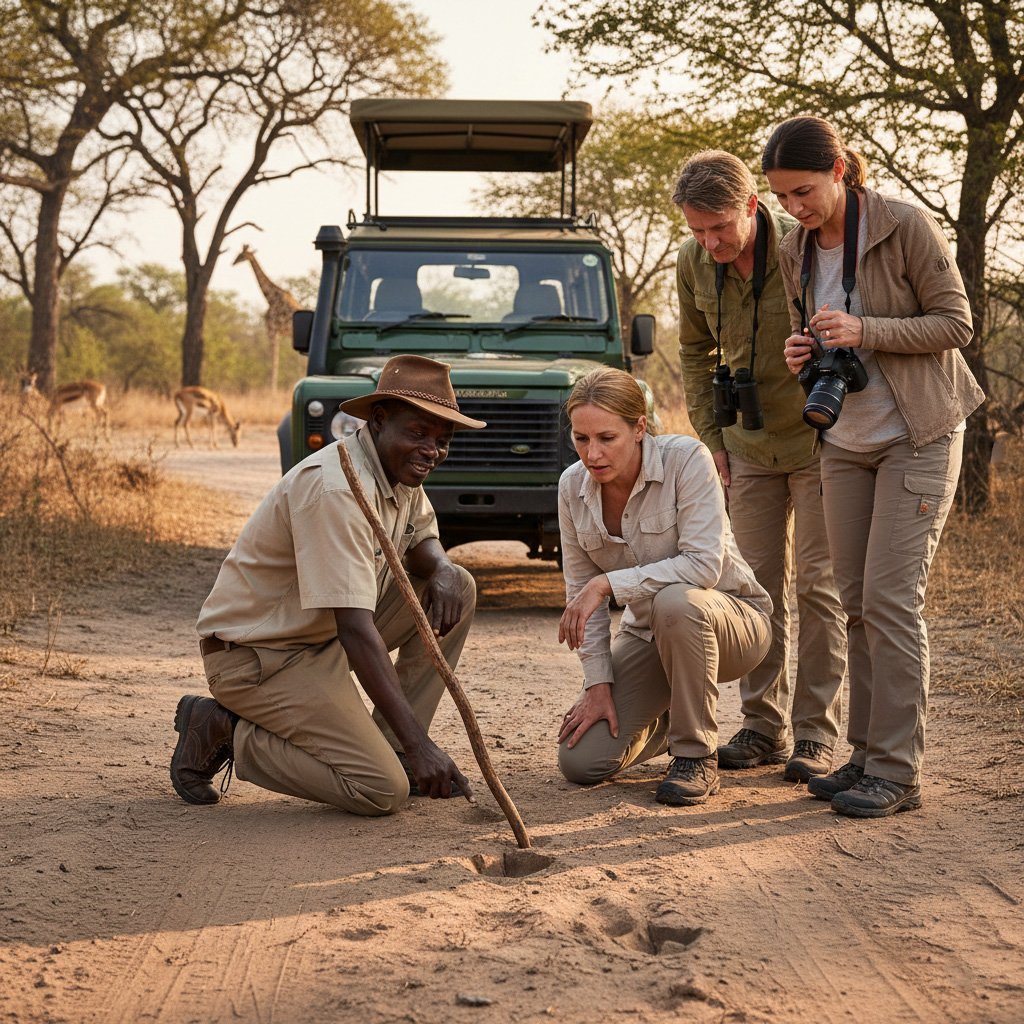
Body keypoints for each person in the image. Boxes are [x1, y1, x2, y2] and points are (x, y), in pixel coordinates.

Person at [762, 116, 984, 818]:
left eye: (804, 191)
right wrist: (804, 354)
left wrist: (868, 331)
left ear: (838, 169)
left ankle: (898, 771)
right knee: (854, 604)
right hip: (843, 441)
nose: (794, 209)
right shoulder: (795, 249)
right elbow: (818, 334)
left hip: (917, 434)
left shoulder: (905, 225)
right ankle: (862, 755)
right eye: (782, 198)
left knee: (891, 603)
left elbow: (956, 324)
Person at [169, 354, 486, 814]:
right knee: (381, 791)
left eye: (442, 440)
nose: (431, 450)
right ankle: (223, 729)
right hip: (262, 659)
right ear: (378, 420)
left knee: (459, 584)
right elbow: (356, 630)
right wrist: (425, 746)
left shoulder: (396, 467)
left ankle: (394, 749)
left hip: (320, 639)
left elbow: (422, 536)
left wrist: (441, 567)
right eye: (418, 433)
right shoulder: (336, 489)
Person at [672, 150, 848, 783]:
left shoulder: (801, 251)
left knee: (819, 589)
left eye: (719, 227)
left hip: (818, 442)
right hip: (745, 446)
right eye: (697, 230)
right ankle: (761, 726)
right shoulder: (692, 264)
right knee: (753, 590)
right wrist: (710, 436)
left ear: (752, 205)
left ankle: (815, 735)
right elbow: (695, 354)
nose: (710, 242)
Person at [556, 367, 773, 806]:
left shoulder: (686, 459)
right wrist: (598, 685)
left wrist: (608, 583)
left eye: (606, 438)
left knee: (677, 602)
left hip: (733, 624)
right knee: (582, 762)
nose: (592, 454)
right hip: (650, 635)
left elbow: (703, 567)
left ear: (639, 429)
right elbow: (582, 593)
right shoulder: (571, 486)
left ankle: (696, 754)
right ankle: (665, 726)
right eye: (581, 439)